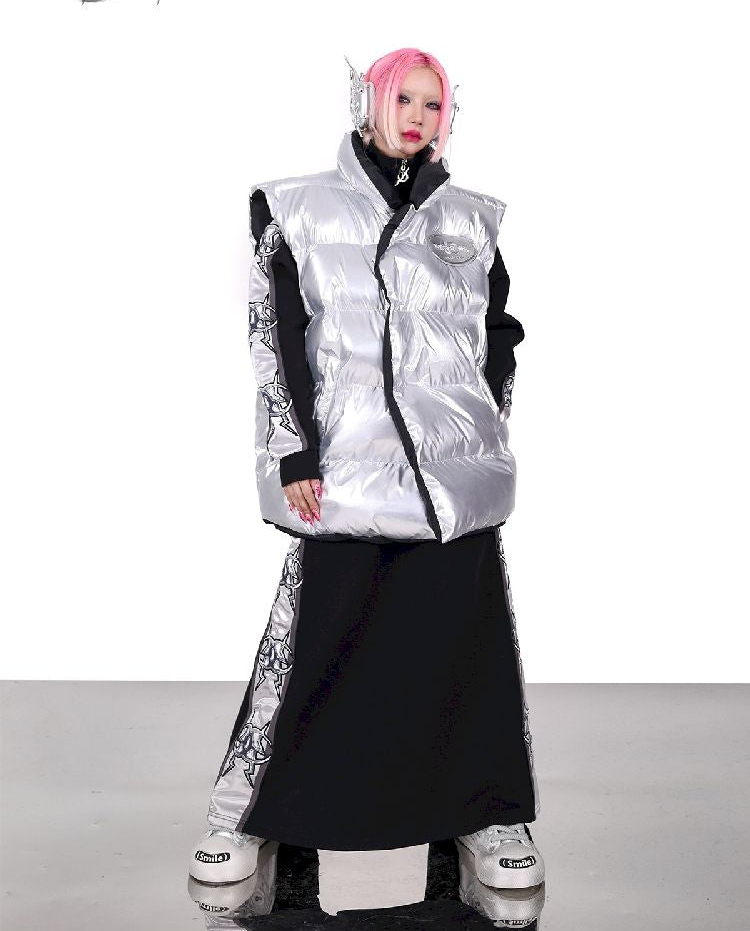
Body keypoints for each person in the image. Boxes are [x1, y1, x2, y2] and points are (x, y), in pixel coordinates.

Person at [189, 47, 544, 894]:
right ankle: (246, 813)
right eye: (404, 99)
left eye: (434, 104)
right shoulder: (296, 207)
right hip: (344, 464)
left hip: (451, 477)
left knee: (464, 646)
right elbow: (276, 336)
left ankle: (489, 812)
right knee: (315, 641)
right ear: (370, 102)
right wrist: (294, 451)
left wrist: (485, 423)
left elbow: (498, 331)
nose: (418, 117)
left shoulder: (473, 217)